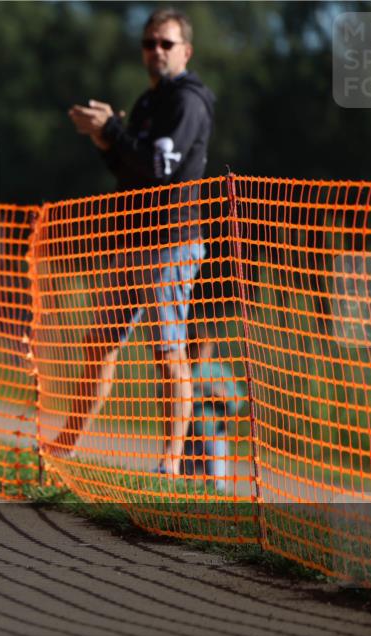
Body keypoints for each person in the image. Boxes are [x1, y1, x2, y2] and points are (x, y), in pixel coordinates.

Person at [58, 8, 216, 475]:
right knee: (99, 343)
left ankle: (169, 465)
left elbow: (160, 167)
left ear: (186, 50)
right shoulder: (149, 103)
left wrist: (112, 131)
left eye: (166, 44)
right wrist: (105, 141)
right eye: (150, 43)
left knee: (168, 351)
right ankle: (64, 447)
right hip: (132, 238)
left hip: (171, 241)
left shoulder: (190, 99)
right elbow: (131, 172)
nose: (157, 51)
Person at [183, 324, 245, 493]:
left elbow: (238, 400)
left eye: (207, 347)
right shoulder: (184, 369)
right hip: (188, 437)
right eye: (200, 346)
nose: (203, 351)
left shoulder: (218, 371)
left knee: (217, 485)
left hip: (215, 436)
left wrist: (221, 395)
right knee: (186, 484)